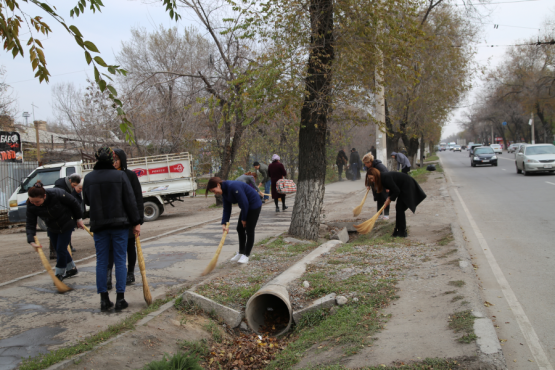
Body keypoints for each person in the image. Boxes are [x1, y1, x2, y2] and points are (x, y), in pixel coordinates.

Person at [83, 147, 141, 312]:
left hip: (99, 225)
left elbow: (87, 201)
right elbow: (130, 200)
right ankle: (120, 299)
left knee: (102, 262)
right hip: (119, 225)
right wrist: (136, 222)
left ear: (96, 159)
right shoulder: (120, 175)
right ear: (111, 159)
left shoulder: (88, 178)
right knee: (120, 260)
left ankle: (103, 300)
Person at [26, 181, 84, 280]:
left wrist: (79, 219)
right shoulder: (31, 205)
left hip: (67, 223)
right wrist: (31, 240)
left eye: (37, 202)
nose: (34, 204)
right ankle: (72, 268)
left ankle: (59, 274)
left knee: (61, 249)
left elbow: (74, 203)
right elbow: (30, 223)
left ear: (44, 196)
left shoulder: (57, 194)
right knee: (59, 249)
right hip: (52, 226)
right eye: (32, 201)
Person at [106, 148, 145, 290]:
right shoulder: (106, 176)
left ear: (122, 160)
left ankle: (130, 273)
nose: (114, 163)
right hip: (111, 219)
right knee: (110, 248)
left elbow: (137, 198)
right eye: (112, 160)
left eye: (116, 160)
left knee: (129, 247)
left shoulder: (130, 176)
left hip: (129, 218)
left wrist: (138, 220)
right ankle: (108, 275)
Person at [206, 177, 262, 265]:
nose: (215, 193)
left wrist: (244, 219)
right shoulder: (224, 191)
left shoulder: (233, 186)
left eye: (214, 190)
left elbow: (244, 203)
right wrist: (224, 223)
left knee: (249, 229)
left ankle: (246, 255)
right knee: (240, 229)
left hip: (254, 204)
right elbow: (227, 209)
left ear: (218, 185)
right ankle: (241, 252)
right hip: (246, 206)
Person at [365, 167, 426, 237]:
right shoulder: (382, 178)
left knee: (400, 208)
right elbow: (393, 188)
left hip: (407, 186)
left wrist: (389, 199)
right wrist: (389, 197)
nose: (372, 180)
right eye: (370, 179)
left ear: (376, 175)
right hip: (402, 187)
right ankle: (398, 230)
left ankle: (402, 232)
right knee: (399, 208)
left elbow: (396, 190)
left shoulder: (385, 178)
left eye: (372, 178)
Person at [54, 173, 82, 253]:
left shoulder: (69, 187)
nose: (74, 187)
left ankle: (67, 247)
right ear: (70, 180)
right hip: (60, 213)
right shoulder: (61, 187)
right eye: (74, 185)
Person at [362, 153, 390, 220]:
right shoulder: (369, 168)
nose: (365, 165)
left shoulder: (379, 166)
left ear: (370, 162)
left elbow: (387, 176)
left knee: (385, 199)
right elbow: (369, 177)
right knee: (379, 199)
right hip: (376, 185)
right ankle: (379, 214)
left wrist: (388, 186)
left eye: (366, 164)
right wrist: (368, 185)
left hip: (383, 185)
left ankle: (386, 214)